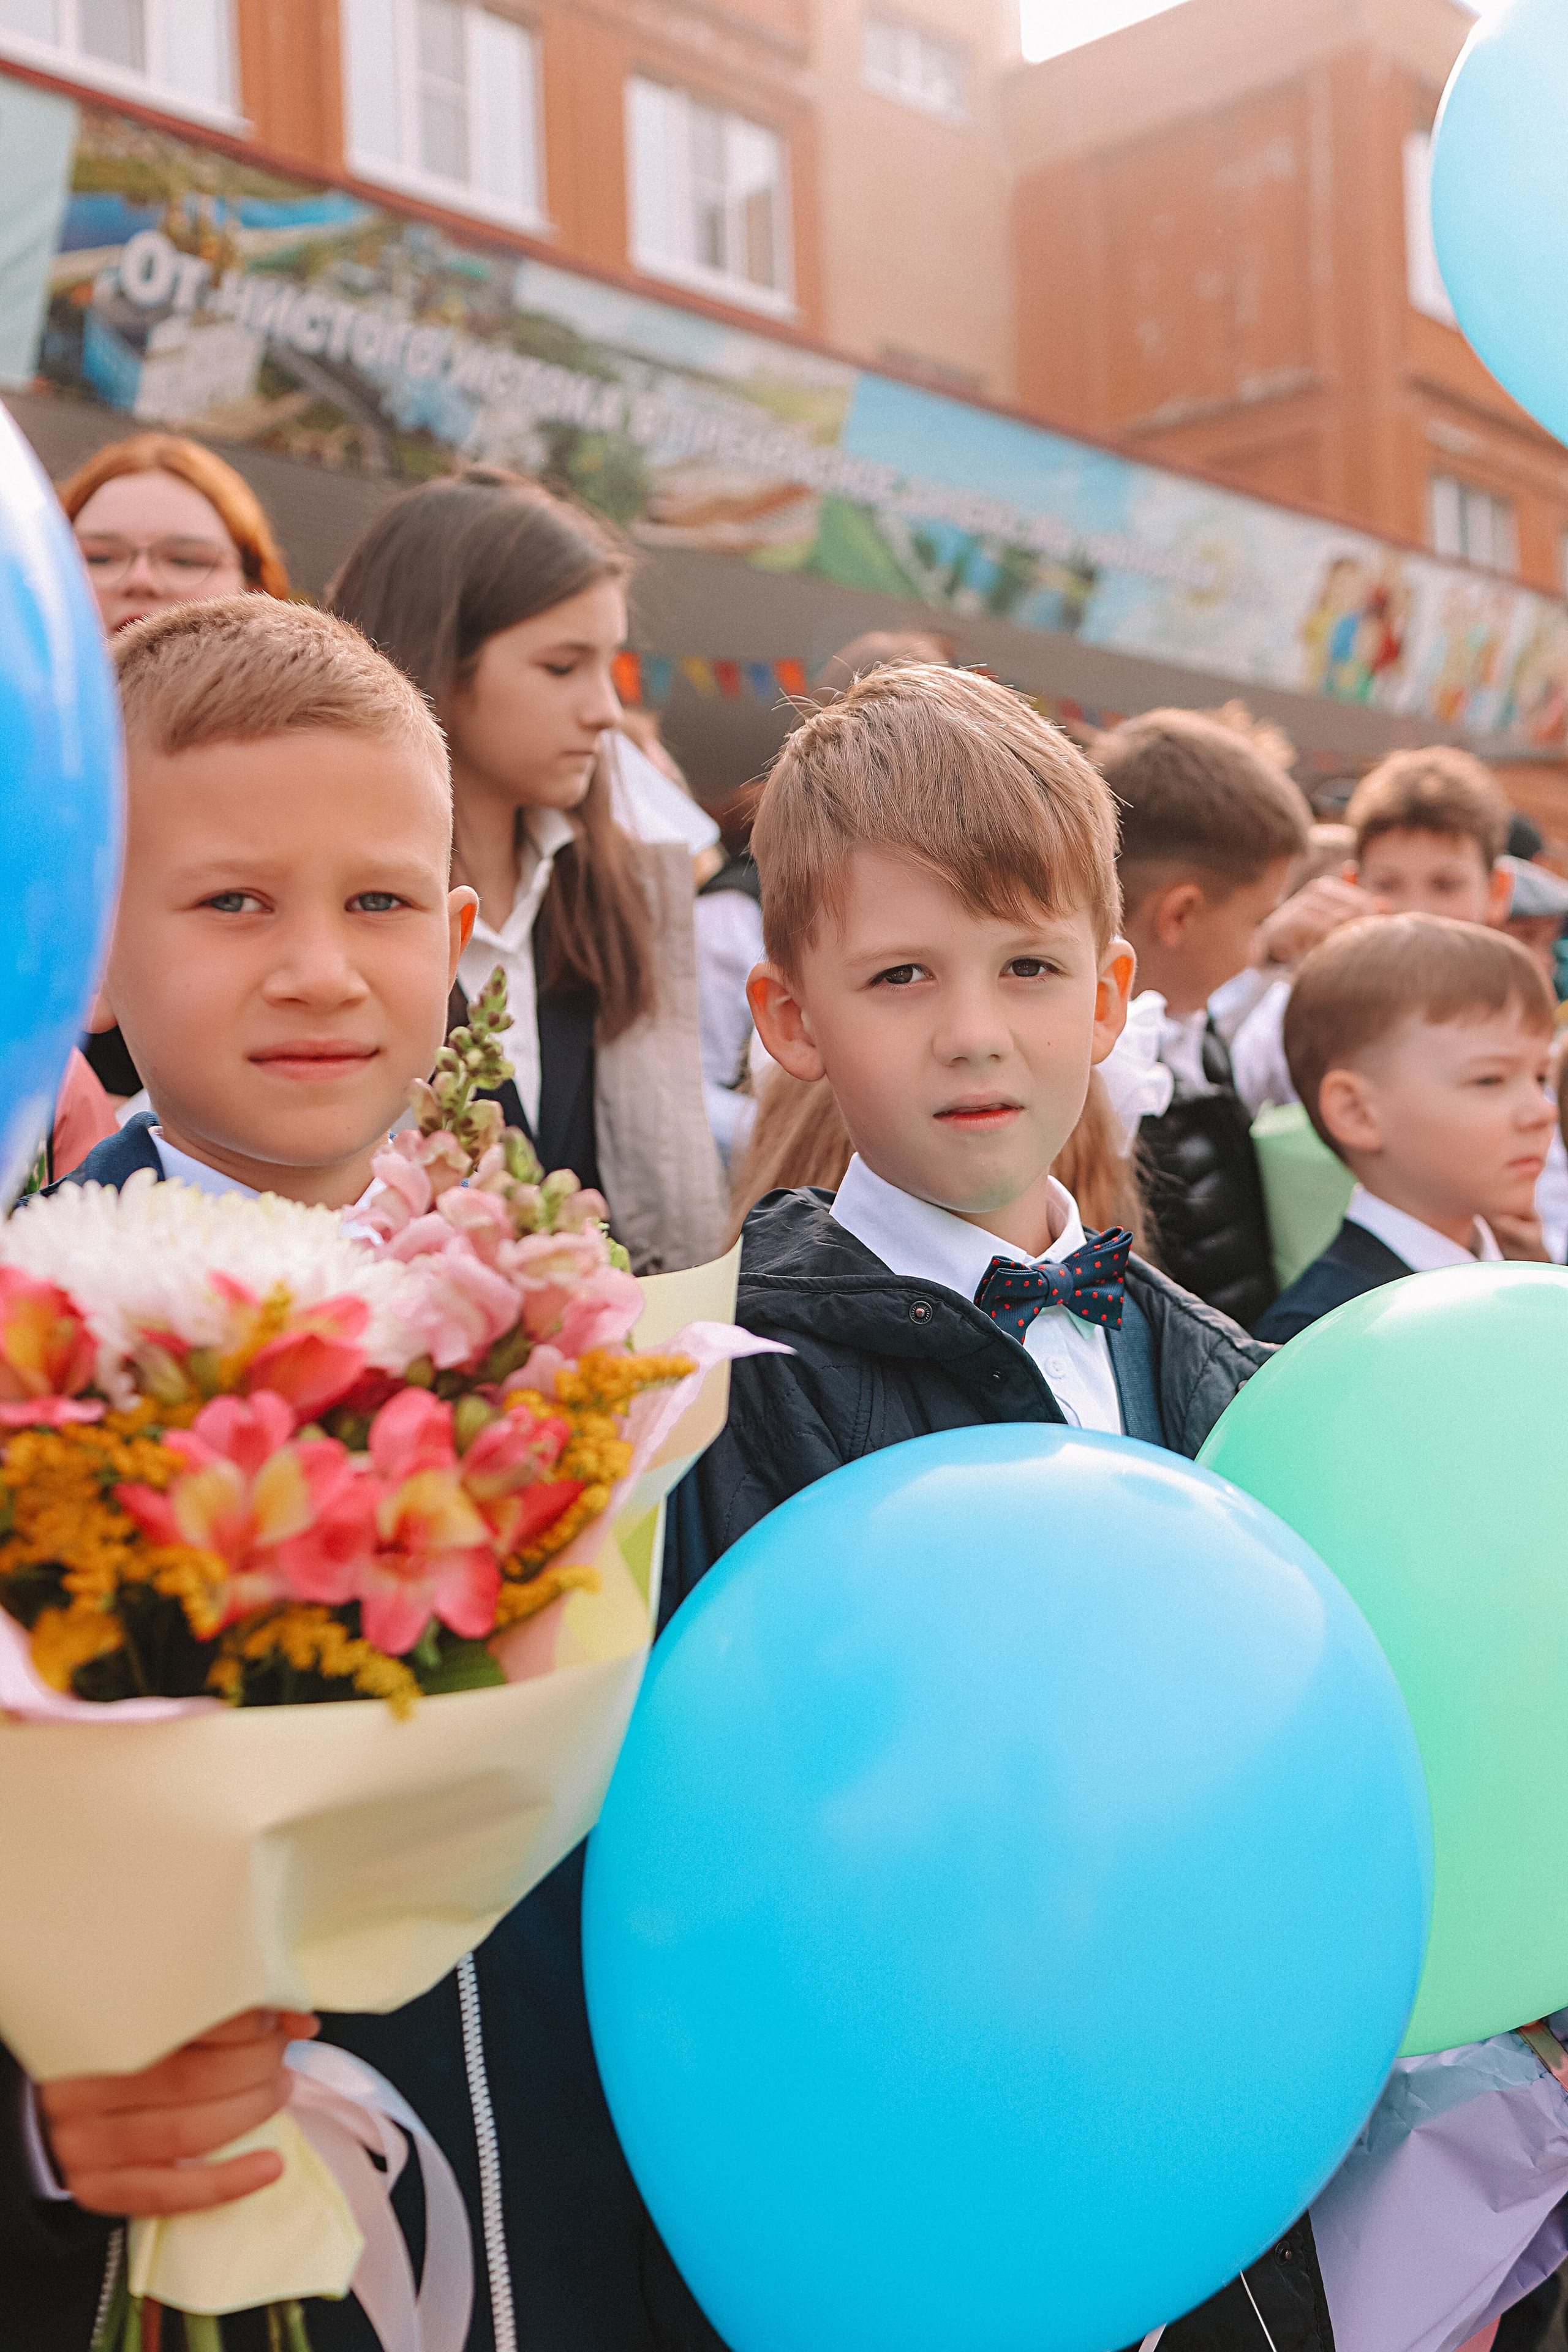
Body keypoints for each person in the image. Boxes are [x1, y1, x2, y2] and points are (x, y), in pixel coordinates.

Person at [2, 595, 672, 2352]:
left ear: (456, 936)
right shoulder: (28, 1348)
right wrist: (43, 2141)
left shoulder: (586, 1338)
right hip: (174, 2242)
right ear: (90, 948)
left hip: (572, 2249)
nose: (318, 967)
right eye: (233, 902)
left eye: (378, 903)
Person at [660, 662, 1333, 2352]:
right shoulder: (721, 1385)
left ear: (1108, 995)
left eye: (1027, 968)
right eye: (901, 975)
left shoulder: (1222, 1377)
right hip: (888, 2162)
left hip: (1197, 2141)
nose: (973, 1029)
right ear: (791, 1019)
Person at [326, 467, 725, 1275]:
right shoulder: (329, 915)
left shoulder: (625, 895)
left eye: (610, 665)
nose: (605, 710)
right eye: (562, 666)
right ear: (435, 660)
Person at [57, 430, 293, 1111]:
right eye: (98, 556)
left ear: (257, 588)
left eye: (185, 559)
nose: (140, 579)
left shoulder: (308, 794)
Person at [1095, 706, 1312, 1329]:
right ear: (1180, 915)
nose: (1260, 948)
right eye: (1258, 921)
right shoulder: (1094, 1085)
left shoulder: (1200, 1035)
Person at [1253, 916, 1555, 1343]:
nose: (1542, 1112)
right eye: (1489, 1079)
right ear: (1357, 1112)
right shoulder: (1320, 1338)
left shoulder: (1520, 1276)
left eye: (1540, 1078)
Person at [1230, 745, 1514, 1118]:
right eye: (1387, 885)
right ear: (1352, 884)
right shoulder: (1305, 1010)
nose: (1415, 910)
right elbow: (1219, 1080)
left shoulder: (1519, 1021)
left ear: (1497, 892)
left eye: (1446, 885)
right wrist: (1264, 957)